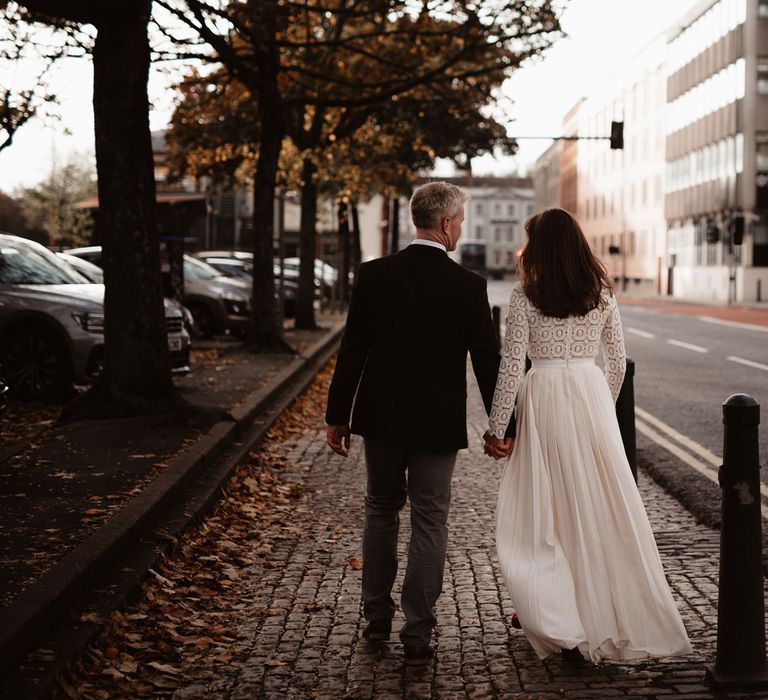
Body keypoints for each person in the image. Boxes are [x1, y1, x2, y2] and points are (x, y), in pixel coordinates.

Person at [484, 208, 691, 663]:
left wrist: (498, 428)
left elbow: (511, 365)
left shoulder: (525, 296)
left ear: (537, 248)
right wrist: (597, 399)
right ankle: (597, 612)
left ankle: (556, 613)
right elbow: (617, 362)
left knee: (547, 510)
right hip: (589, 395)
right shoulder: (600, 293)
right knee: (597, 507)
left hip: (543, 399)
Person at [325, 181, 514, 666]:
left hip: (381, 419)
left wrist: (337, 416)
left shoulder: (374, 275)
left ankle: (375, 617)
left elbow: (352, 352)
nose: (462, 228)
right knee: (431, 520)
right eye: (462, 220)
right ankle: (418, 631)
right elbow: (487, 363)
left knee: (380, 510)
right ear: (448, 223)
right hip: (435, 425)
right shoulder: (468, 286)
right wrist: (501, 425)